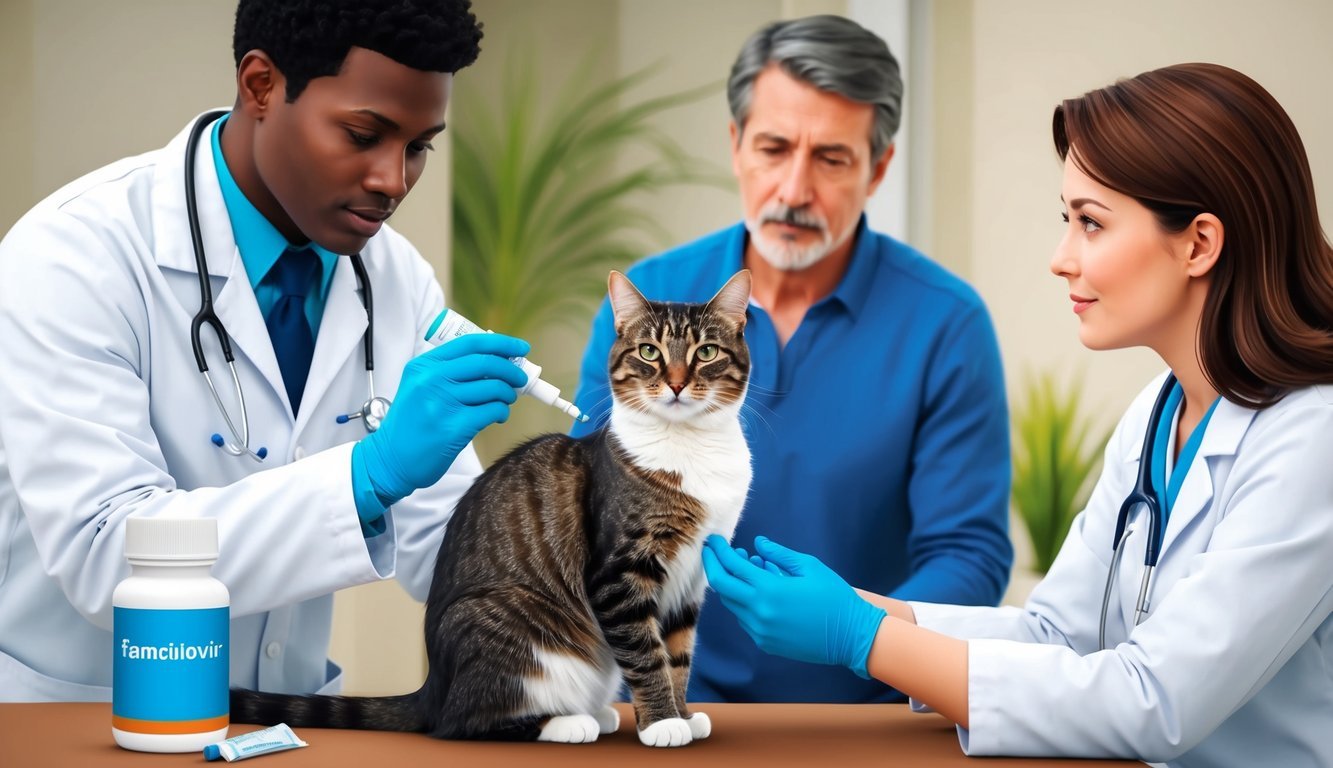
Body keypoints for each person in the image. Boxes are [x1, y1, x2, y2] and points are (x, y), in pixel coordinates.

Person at [702, 62, 1333, 766]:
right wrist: (860, 607)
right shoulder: (1156, 416)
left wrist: (859, 638)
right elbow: (1055, 636)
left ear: (1198, 244)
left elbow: (1155, 701)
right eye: (1067, 221)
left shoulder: (1312, 440)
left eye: (1090, 223)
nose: (1060, 259)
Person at [0, 0, 534, 702]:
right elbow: (109, 559)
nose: (392, 181)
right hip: (83, 718)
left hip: (285, 721)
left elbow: (448, 546)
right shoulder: (75, 258)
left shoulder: (394, 279)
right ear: (260, 86)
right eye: (364, 134)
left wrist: (585, 543)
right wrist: (367, 476)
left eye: (418, 146)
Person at [570, 15, 1013, 704]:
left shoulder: (946, 324)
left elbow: (968, 557)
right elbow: (589, 519)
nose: (793, 190)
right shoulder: (643, 311)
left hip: (871, 723)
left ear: (879, 168)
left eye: (830, 159)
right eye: (773, 148)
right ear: (736, 145)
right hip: (665, 711)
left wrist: (851, 630)